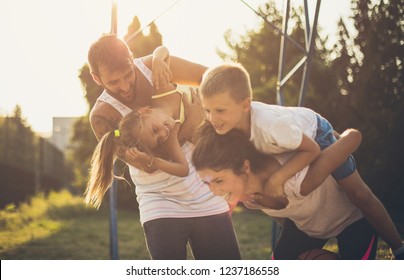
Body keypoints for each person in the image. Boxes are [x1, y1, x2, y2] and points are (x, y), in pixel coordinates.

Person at [198, 63, 404, 259]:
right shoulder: (230, 130)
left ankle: (398, 247)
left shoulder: (269, 125)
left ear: (245, 105)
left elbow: (312, 150)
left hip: (316, 134)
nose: (212, 117)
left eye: (219, 110)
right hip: (297, 147)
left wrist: (278, 178)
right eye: (207, 110)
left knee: (359, 194)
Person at [84, 34, 241, 260]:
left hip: (204, 189)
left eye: (128, 75)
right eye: (114, 82)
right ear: (97, 79)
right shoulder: (102, 116)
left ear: (132, 58)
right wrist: (188, 126)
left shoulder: (154, 67)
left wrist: (207, 113)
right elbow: (147, 165)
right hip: (159, 200)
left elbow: (214, 79)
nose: (125, 86)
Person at [192, 123, 376, 259]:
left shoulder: (292, 174)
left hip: (351, 220)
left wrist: (335, 137)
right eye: (208, 183)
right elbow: (282, 214)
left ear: (244, 167)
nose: (215, 190)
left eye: (218, 181)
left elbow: (350, 139)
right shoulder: (247, 195)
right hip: (308, 228)